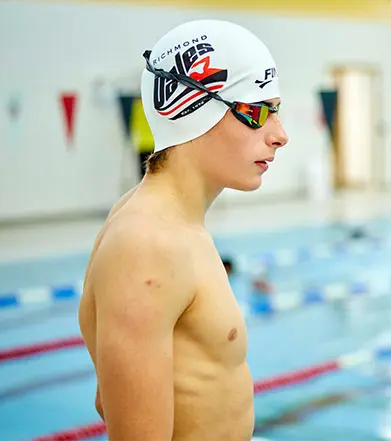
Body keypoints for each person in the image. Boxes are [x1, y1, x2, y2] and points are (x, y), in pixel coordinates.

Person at [78, 19, 288, 441]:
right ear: (189, 108)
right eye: (257, 111)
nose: (280, 135)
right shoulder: (148, 244)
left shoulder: (172, 224)